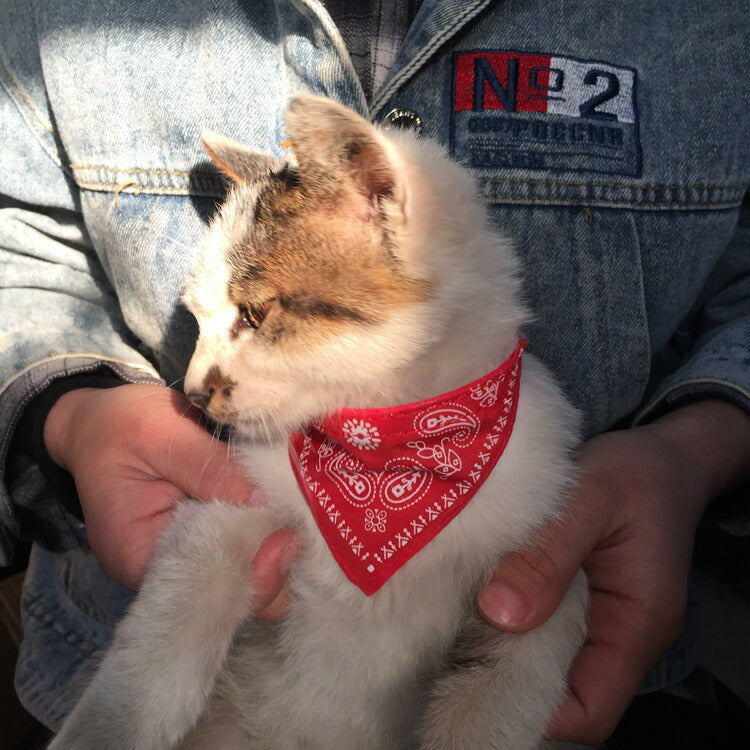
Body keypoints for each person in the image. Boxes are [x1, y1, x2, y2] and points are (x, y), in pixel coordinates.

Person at [1, 0, 748, 746]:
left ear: (380, 202)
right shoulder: (287, 426)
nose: (197, 387)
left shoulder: (531, 462)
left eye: (253, 316)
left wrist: (695, 449)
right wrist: (66, 413)